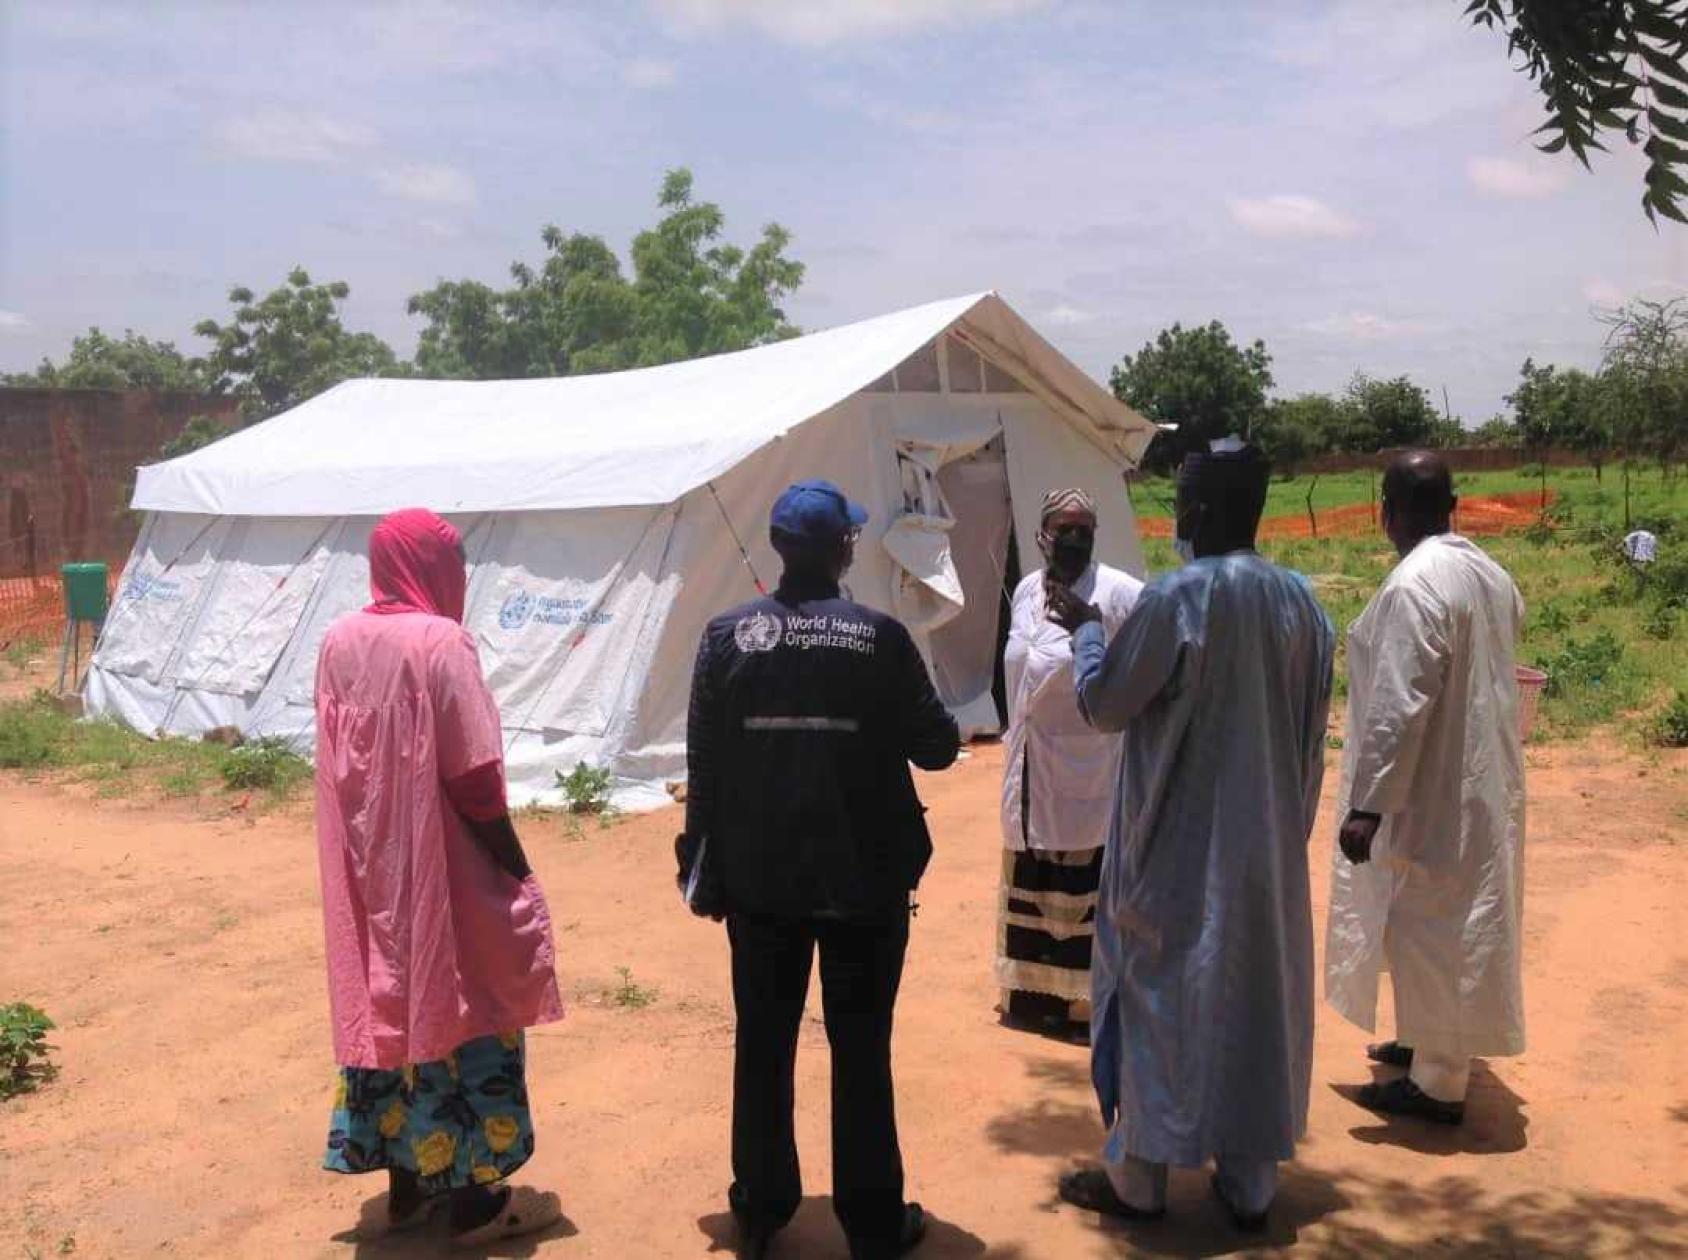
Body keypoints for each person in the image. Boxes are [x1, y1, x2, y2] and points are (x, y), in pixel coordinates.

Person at [1047, 445, 1333, 1231]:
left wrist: (1087, 635)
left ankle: (1140, 1178)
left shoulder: (1177, 599)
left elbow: (1107, 705)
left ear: (1197, 514)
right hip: (1265, 853)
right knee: (1252, 1000)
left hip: (1176, 846)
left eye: (1179, 503)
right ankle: (1250, 1182)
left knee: (1159, 995)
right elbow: (1311, 734)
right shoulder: (1301, 602)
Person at [681, 479, 960, 1260]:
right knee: (862, 1049)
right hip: (864, 884)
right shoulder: (879, 637)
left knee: (762, 1042)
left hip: (760, 885)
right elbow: (937, 747)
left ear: (778, 549)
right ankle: (872, 1224)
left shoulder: (725, 636)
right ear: (841, 549)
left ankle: (762, 1209)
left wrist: (696, 862)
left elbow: (704, 763)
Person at [315, 508, 565, 1246]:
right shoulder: (442, 642)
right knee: (466, 1001)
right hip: (440, 862)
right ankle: (477, 1205)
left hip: (369, 863)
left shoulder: (338, 639)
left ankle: (406, 1187)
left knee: (390, 998)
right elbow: (475, 776)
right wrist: (514, 863)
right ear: (436, 569)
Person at [1326, 451, 1527, 1125]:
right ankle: (1423, 1038)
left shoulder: (1416, 584)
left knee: (1435, 922)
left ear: (1387, 512)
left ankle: (1439, 1082)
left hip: (1432, 784)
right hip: (1475, 776)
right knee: (1432, 921)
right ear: (1454, 503)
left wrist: (1367, 806)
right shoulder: (1487, 571)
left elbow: (1399, 704)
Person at [997, 488, 1142, 1038]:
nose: (1075, 538)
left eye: (1085, 527)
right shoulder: (1029, 589)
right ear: (1042, 533)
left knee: (1085, 881)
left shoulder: (1121, 593)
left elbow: (1147, 666)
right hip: (1030, 763)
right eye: (1065, 527)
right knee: (1033, 873)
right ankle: (1037, 996)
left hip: (1089, 766)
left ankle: (1087, 1004)